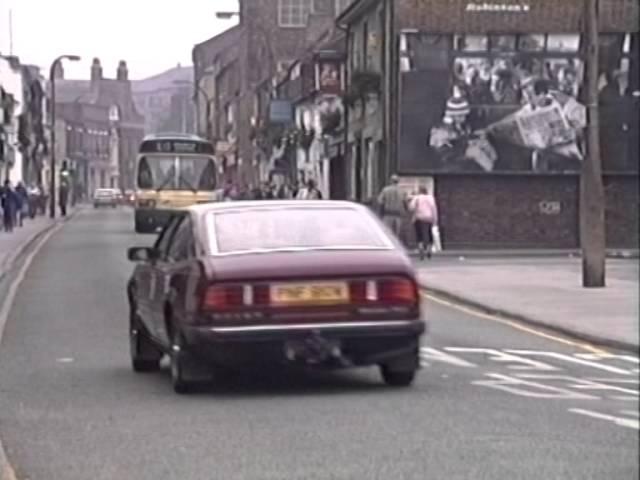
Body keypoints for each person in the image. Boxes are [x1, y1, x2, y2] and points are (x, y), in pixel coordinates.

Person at [408, 185, 439, 260]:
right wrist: (435, 220)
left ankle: (421, 247)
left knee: (419, 234)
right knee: (429, 233)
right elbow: (434, 209)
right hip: (428, 218)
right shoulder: (431, 198)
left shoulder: (417, 198)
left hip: (419, 218)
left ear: (419, 191)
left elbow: (411, 208)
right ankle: (428, 248)